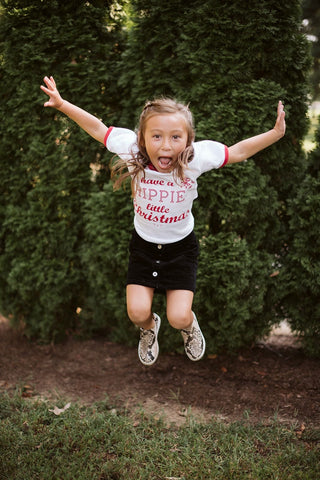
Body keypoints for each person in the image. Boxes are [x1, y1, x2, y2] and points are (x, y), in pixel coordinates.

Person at [40, 76, 286, 366]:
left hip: (181, 249)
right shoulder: (132, 149)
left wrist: (275, 133)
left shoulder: (195, 158)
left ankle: (189, 327)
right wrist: (62, 103)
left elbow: (238, 152)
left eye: (175, 137)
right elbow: (98, 128)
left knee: (179, 316)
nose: (166, 146)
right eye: (156, 136)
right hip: (143, 247)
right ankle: (148, 329)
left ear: (188, 139)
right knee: (137, 312)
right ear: (143, 138)